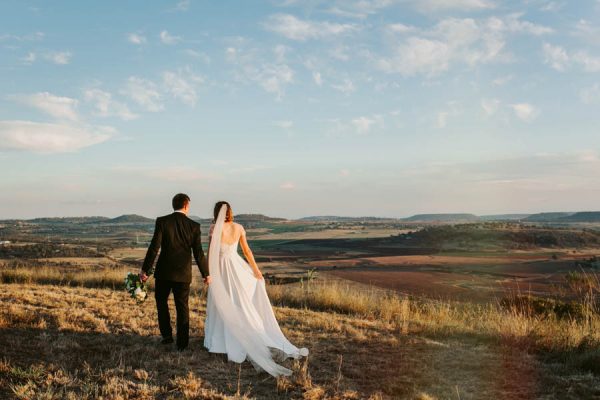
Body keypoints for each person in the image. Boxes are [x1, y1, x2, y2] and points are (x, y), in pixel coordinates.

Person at [204, 201, 308, 377]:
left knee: (221, 302)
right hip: (236, 266)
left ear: (217, 213)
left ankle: (222, 338)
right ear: (231, 212)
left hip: (220, 269)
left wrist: (207, 273)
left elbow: (210, 253)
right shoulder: (239, 228)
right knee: (239, 301)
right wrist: (256, 270)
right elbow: (247, 251)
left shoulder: (214, 228)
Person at [140, 193, 210, 351]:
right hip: (183, 274)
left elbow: (154, 248)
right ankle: (182, 343)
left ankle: (166, 336)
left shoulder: (162, 222)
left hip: (163, 272)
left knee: (161, 302)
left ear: (174, 205)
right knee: (182, 307)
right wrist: (206, 274)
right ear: (186, 206)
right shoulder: (194, 226)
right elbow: (199, 253)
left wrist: (145, 270)